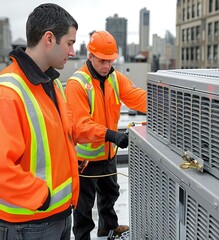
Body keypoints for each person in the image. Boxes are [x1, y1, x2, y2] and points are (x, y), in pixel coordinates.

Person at [0, 3, 93, 240]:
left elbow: (63, 133)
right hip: (28, 223)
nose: (72, 52)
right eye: (69, 43)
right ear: (49, 39)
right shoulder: (4, 94)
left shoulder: (52, 84)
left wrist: (105, 135)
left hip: (58, 213)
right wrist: (42, 196)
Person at [65, 30, 147, 240]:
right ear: (90, 56)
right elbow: (80, 126)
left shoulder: (115, 78)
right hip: (85, 160)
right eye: (102, 61)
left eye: (110, 61)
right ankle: (83, 237)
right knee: (83, 207)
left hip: (108, 154)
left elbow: (137, 98)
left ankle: (108, 228)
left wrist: (164, 104)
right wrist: (111, 135)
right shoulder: (77, 84)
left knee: (110, 194)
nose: (106, 66)